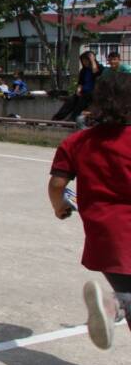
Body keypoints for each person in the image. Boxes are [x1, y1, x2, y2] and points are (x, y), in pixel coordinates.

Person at [47, 72, 131, 350]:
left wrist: (60, 208)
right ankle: (116, 304)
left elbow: (57, 184)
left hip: (106, 236)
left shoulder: (77, 143)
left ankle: (118, 304)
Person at [53, 51, 103, 122]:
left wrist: (92, 60)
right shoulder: (83, 70)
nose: (84, 62)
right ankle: (56, 118)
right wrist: (78, 90)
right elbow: (80, 83)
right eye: (83, 61)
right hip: (84, 92)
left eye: (86, 60)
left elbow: (96, 72)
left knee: (82, 101)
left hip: (93, 93)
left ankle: (72, 119)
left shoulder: (99, 68)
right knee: (71, 100)